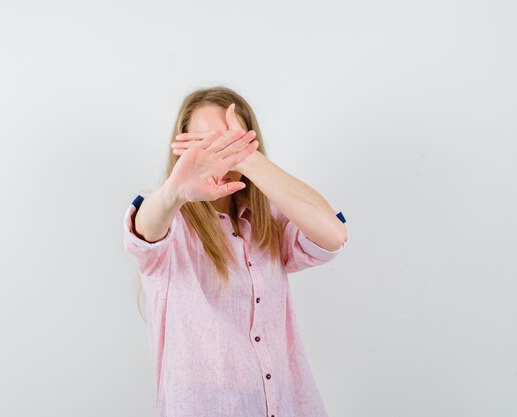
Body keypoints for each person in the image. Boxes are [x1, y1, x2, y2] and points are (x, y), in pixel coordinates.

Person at [122, 86, 349, 417]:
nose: (218, 155)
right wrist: (174, 190)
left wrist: (248, 159)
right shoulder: (171, 221)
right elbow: (145, 231)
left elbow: (334, 234)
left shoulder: (267, 220)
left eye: (230, 142)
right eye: (204, 144)